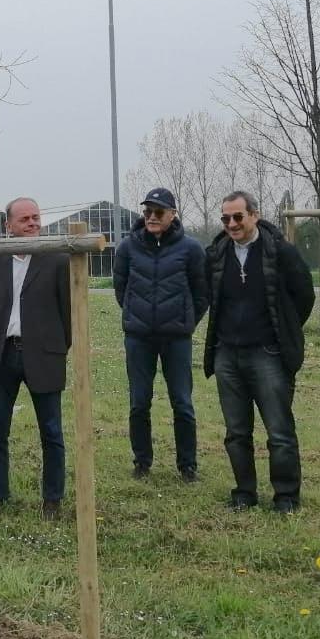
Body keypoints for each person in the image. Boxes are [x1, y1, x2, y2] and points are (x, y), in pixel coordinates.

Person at [203, 191, 315, 513]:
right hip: (227, 355)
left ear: (254, 215)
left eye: (238, 217)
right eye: (226, 218)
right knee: (236, 433)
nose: (232, 224)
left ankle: (286, 498)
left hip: (267, 354)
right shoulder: (216, 254)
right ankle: (244, 494)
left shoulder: (280, 251)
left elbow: (303, 296)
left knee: (279, 431)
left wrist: (284, 328)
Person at [0, 198, 71, 520]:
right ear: (9, 226)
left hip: (43, 355)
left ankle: (52, 499)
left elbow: (68, 312)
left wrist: (57, 347)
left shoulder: (57, 259)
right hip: (3, 354)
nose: (32, 224)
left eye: (36, 218)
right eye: (25, 219)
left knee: (51, 431)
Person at [113, 187, 208, 482]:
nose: (151, 217)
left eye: (158, 212)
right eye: (147, 212)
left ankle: (187, 465)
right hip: (139, 338)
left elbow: (201, 292)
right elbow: (121, 289)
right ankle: (142, 461)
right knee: (139, 401)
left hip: (176, 339)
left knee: (182, 402)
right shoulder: (127, 248)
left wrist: (186, 321)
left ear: (172, 215)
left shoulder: (191, 249)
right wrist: (135, 316)